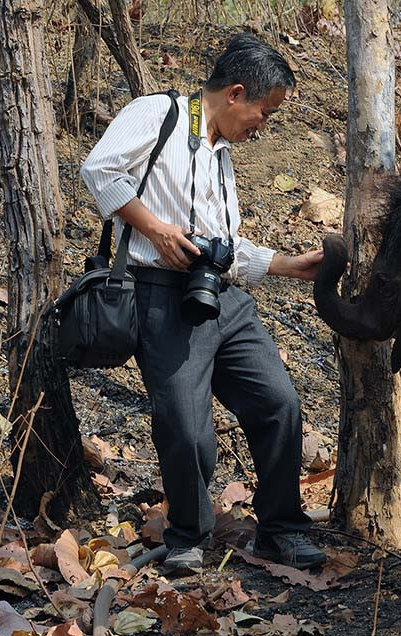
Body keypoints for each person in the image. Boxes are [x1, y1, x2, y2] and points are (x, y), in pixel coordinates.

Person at [80, 33, 327, 574]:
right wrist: (155, 229)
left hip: (221, 294)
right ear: (237, 93)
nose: (263, 126)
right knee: (186, 424)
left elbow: (222, 245)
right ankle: (188, 535)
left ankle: (281, 530)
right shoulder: (159, 113)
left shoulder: (221, 155)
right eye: (265, 112)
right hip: (161, 294)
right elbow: (98, 170)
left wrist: (288, 265)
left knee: (278, 402)